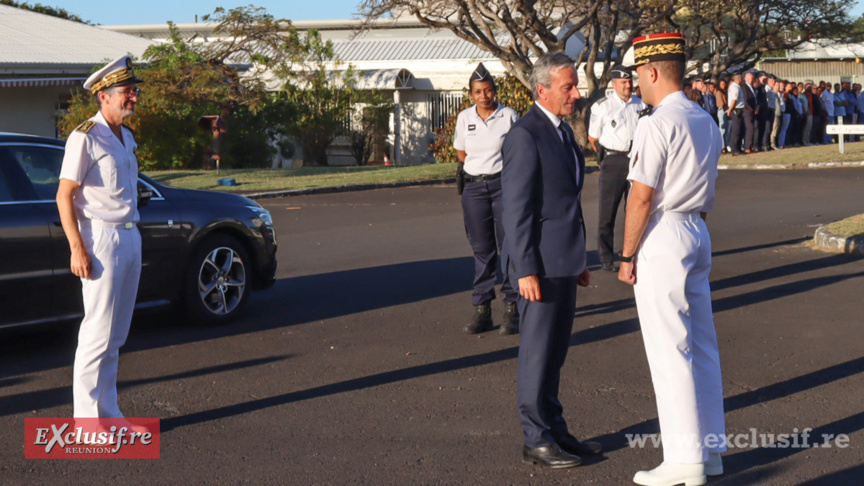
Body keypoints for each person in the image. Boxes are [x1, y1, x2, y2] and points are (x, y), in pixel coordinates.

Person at [619, 32, 726, 486]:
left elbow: (641, 197)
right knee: (701, 346)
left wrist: (627, 254)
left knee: (669, 351)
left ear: (653, 71)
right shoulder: (705, 119)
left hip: (664, 233)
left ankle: (684, 459)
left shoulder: (655, 122)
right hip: (697, 228)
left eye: (639, 75)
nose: (637, 84)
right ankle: (710, 451)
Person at [501, 52, 600, 469]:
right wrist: (525, 268)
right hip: (537, 266)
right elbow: (517, 210)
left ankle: (555, 430)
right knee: (537, 355)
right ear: (541, 90)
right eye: (568, 87)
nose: (576, 94)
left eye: (575, 86)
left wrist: (577, 259)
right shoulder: (525, 135)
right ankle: (536, 438)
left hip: (562, 261)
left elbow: (565, 203)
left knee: (555, 353)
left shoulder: (560, 130)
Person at [56, 55, 146, 422]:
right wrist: (77, 247)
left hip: (130, 236)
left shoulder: (126, 137)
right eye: (127, 92)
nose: (134, 98)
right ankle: (87, 422)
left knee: (116, 335)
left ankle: (108, 411)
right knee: (96, 334)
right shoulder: (85, 137)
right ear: (103, 95)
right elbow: (64, 195)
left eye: (134, 91)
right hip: (101, 240)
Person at [453, 62, 520, 335]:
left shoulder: (508, 116)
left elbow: (517, 152)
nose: (484, 96)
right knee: (482, 250)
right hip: (474, 189)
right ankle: (482, 309)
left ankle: (512, 308)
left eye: (488, 90)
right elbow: (461, 154)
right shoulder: (464, 118)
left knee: (509, 247)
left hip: (502, 186)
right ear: (471, 94)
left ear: (495, 91)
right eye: (478, 91)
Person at [588, 65, 645, 272]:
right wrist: (603, 160)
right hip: (613, 161)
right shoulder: (603, 106)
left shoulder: (641, 104)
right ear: (614, 84)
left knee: (636, 209)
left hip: (636, 160)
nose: (628, 85)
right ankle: (605, 256)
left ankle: (632, 253)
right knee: (607, 213)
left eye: (629, 81)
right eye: (623, 82)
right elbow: (593, 137)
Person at [726, 73, 745, 155]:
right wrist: (730, 110)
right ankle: (734, 149)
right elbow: (734, 100)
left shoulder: (736, 86)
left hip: (739, 109)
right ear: (740, 78)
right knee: (736, 130)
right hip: (736, 110)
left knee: (740, 130)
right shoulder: (735, 87)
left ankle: (738, 147)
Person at [742, 71, 759, 153]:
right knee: (750, 128)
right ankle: (747, 147)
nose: (751, 80)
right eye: (749, 78)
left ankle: (752, 145)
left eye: (752, 78)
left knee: (755, 128)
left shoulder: (753, 88)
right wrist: (750, 108)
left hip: (754, 110)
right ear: (745, 78)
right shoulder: (744, 87)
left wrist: (756, 107)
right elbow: (745, 100)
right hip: (747, 111)